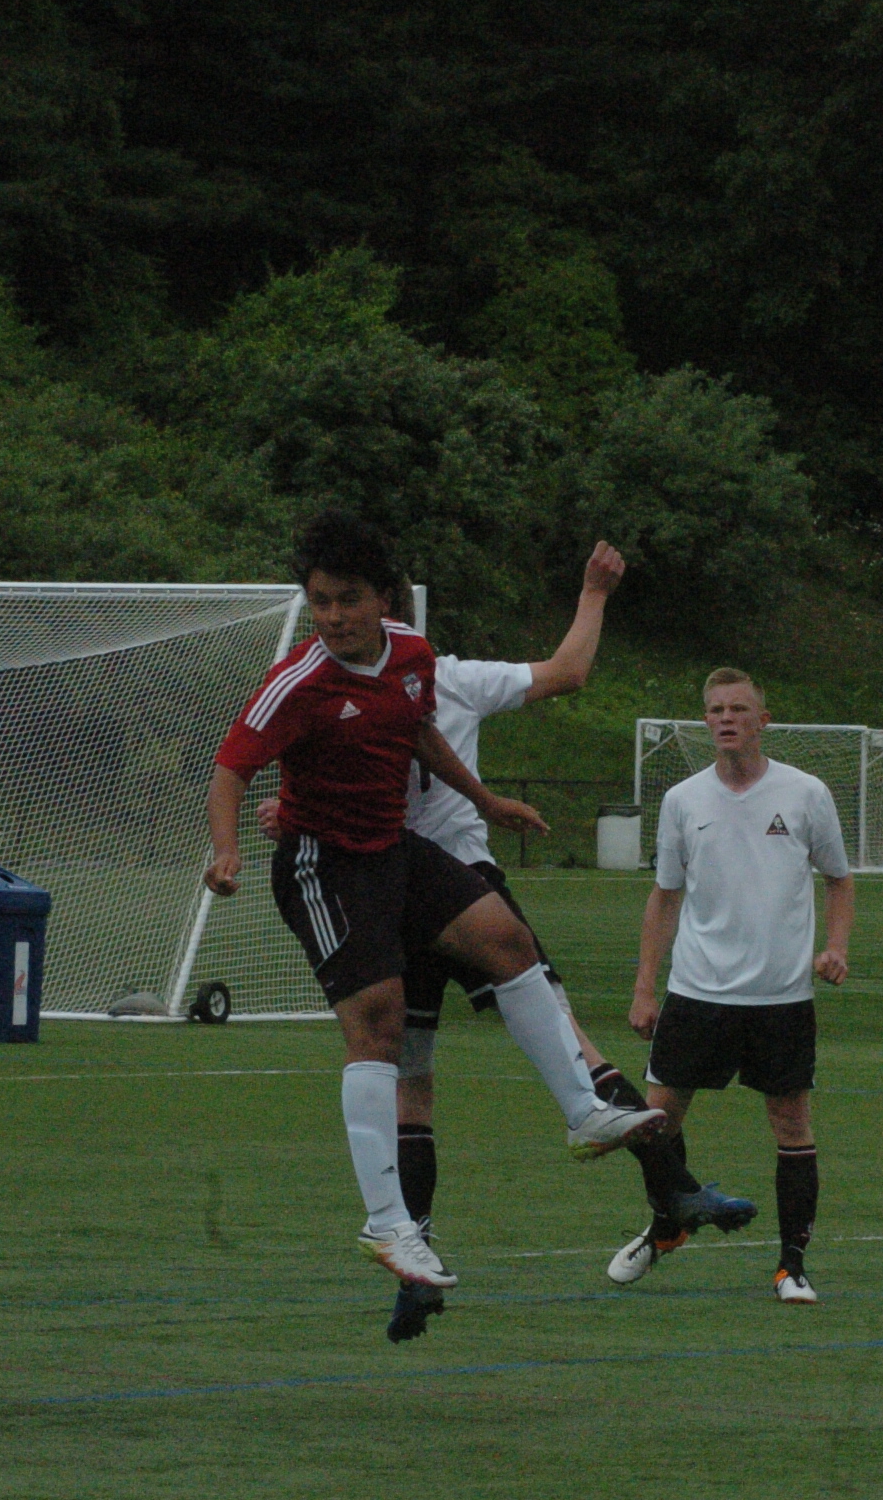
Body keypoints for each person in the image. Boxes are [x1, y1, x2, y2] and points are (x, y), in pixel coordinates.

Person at [206, 511, 666, 1295]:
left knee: (507, 938)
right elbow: (229, 770)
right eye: (320, 601)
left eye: (348, 599)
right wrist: (226, 850)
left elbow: (417, 733)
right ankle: (388, 1226)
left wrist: (485, 800)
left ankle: (583, 1113)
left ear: (384, 599)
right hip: (323, 865)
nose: (333, 617)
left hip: (392, 850)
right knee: (378, 1024)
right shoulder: (297, 682)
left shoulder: (413, 657)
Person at [622, 667, 854, 1303]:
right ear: (706, 722)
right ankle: (670, 1221)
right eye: (716, 710)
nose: (726, 719)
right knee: (655, 1121)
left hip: (781, 997)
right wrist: (645, 988)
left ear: (762, 721)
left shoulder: (805, 793)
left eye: (739, 709)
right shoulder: (683, 800)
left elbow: (838, 879)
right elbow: (665, 897)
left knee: (791, 1123)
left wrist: (835, 948)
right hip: (697, 991)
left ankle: (791, 1266)